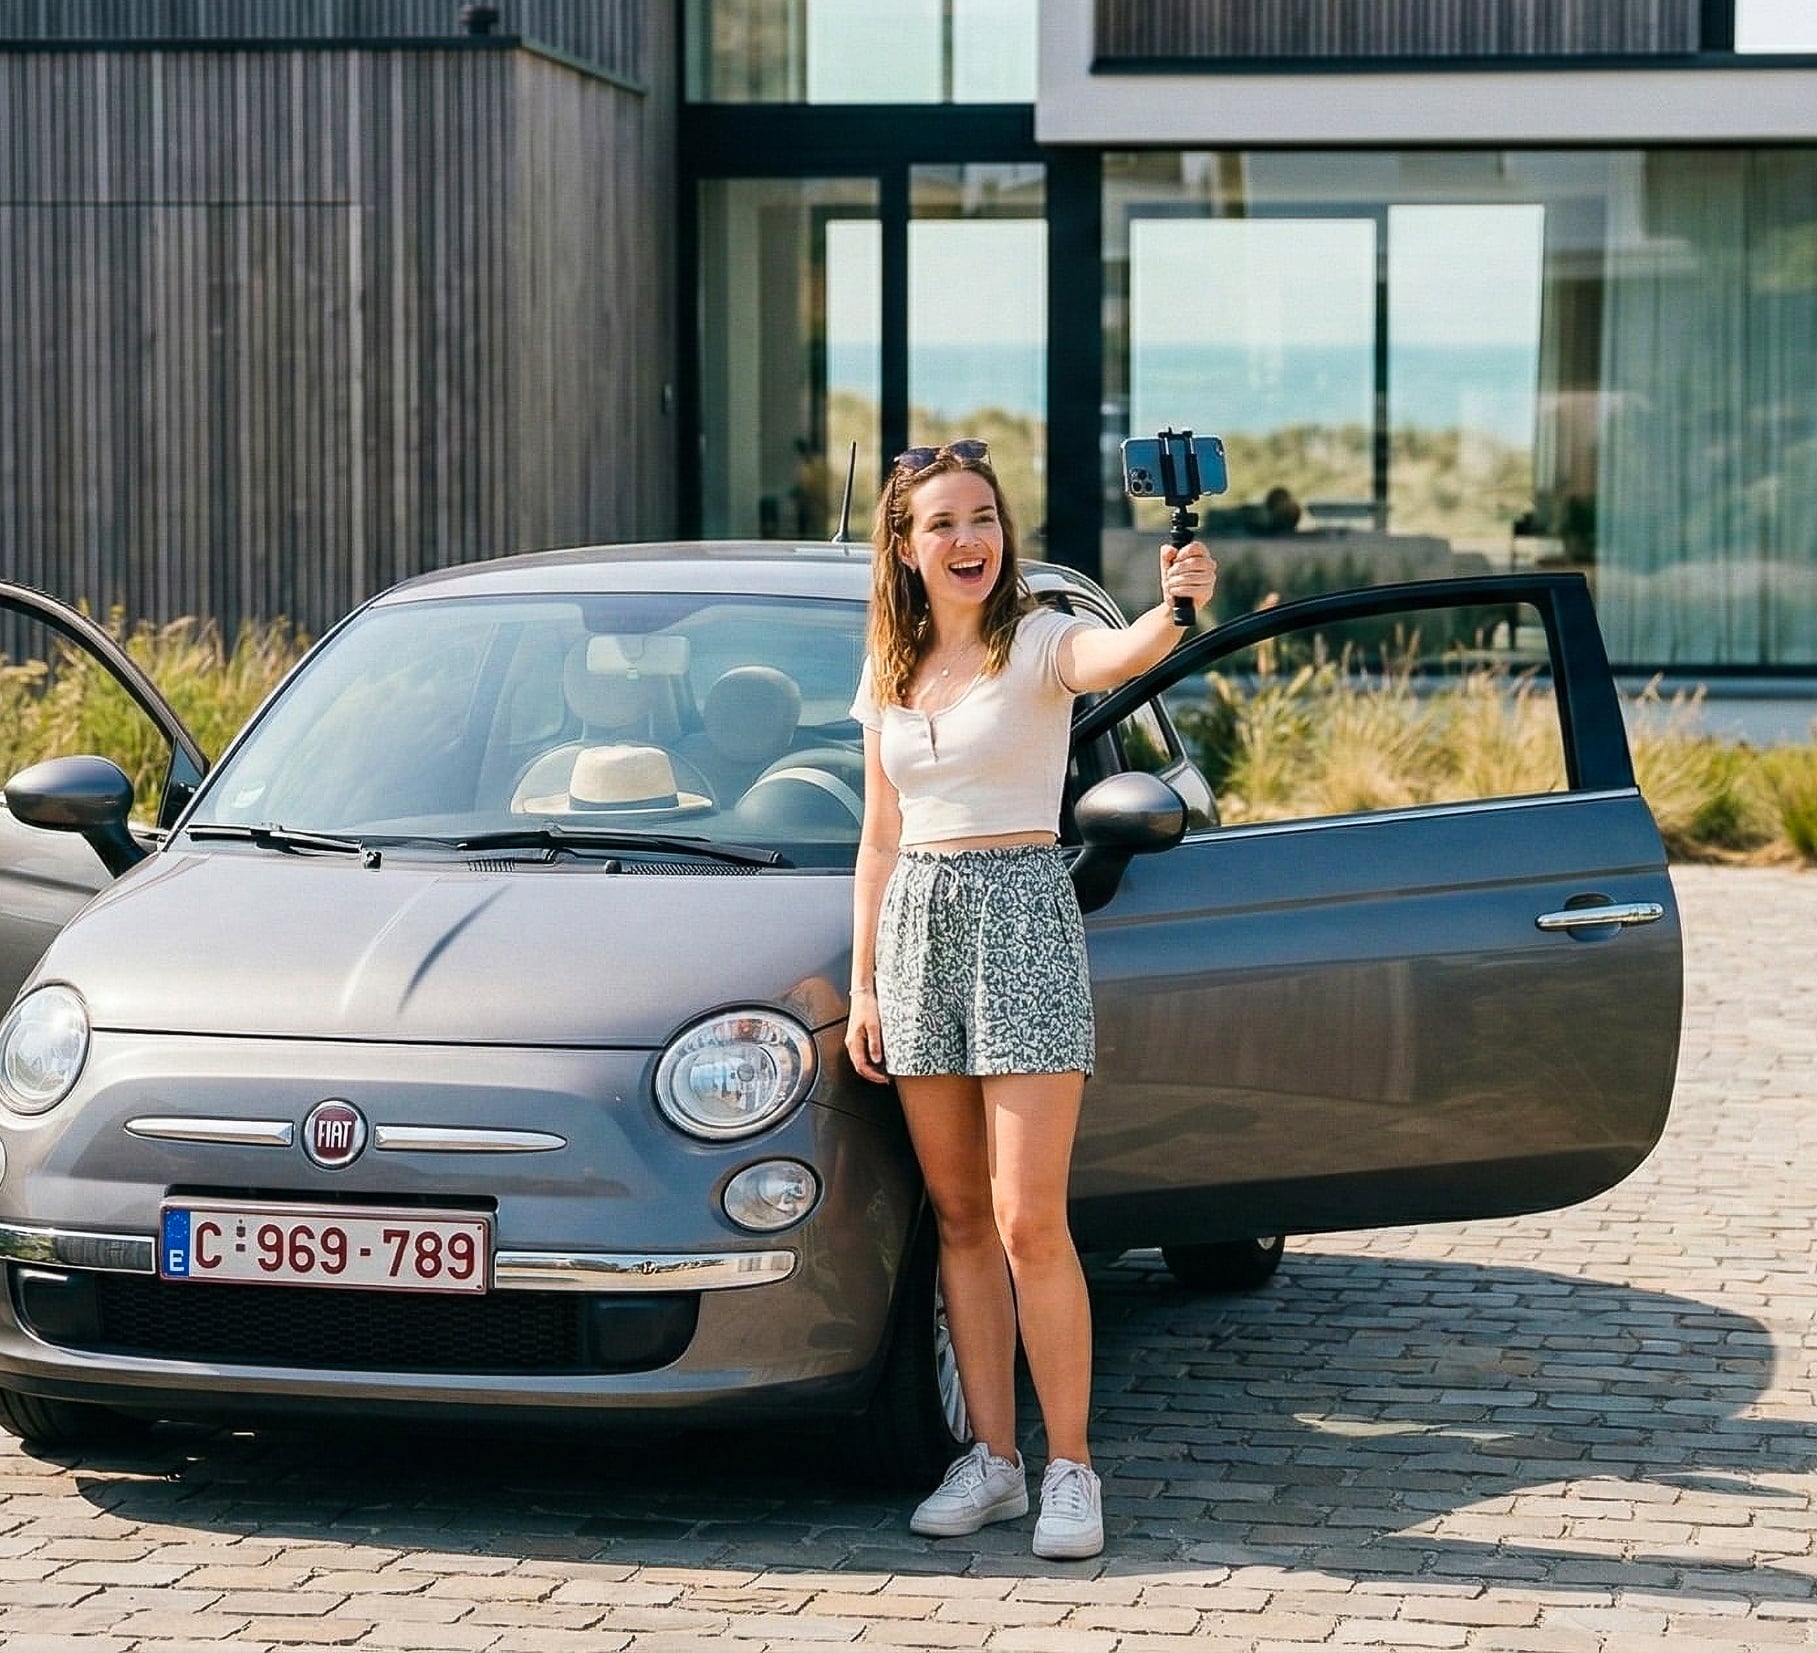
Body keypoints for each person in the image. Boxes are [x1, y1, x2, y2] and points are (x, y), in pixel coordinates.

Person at [844, 439, 1216, 1559]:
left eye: (983, 519)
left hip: (1020, 919)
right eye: (943, 525)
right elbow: (877, 838)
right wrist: (864, 981)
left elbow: (1125, 652)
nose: (969, 541)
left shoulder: (1041, 640)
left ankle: (1071, 1470)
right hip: (916, 929)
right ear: (904, 549)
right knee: (955, 1219)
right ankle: (993, 1462)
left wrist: (1178, 606)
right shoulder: (888, 667)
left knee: (1026, 1221)